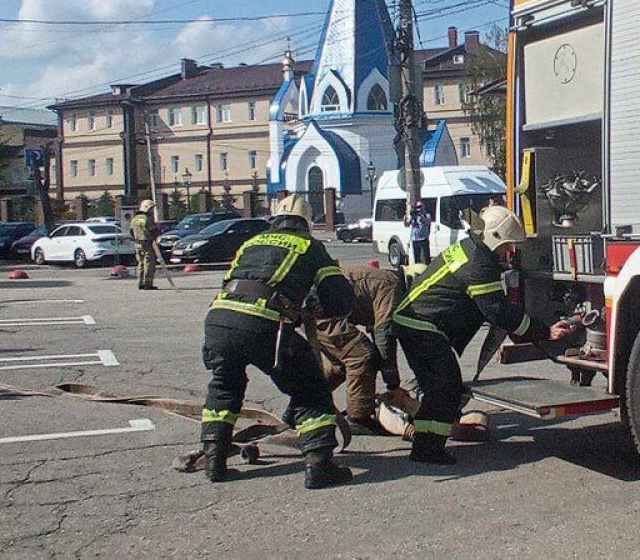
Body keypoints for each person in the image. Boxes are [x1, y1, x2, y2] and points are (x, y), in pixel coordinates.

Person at [391, 205, 574, 465]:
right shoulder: (479, 263)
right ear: (495, 237)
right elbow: (497, 311)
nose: (511, 253)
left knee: (438, 389)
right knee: (447, 387)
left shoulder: (470, 248)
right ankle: (428, 449)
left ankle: (425, 444)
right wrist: (544, 331)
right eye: (509, 246)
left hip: (414, 322)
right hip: (422, 326)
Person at [199, 194, 356, 488]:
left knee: (224, 386)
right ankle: (320, 464)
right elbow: (338, 296)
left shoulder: (252, 242)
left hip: (218, 320)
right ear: (306, 223)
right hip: (263, 324)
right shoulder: (309, 245)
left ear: (276, 219)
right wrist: (324, 307)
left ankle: (214, 459)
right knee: (311, 388)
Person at [313, 263, 405, 435]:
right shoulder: (392, 285)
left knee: (342, 365)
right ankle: (358, 418)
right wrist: (393, 383)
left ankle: (304, 403)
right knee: (362, 357)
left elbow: (376, 329)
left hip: (317, 308)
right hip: (321, 311)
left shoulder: (382, 280)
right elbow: (384, 334)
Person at [129, 201, 158, 290]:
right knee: (149, 264)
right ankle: (147, 284)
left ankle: (140, 283)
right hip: (147, 245)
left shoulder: (135, 219)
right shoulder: (147, 219)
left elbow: (131, 232)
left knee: (140, 264)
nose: (152, 211)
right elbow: (153, 231)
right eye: (151, 209)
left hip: (137, 244)